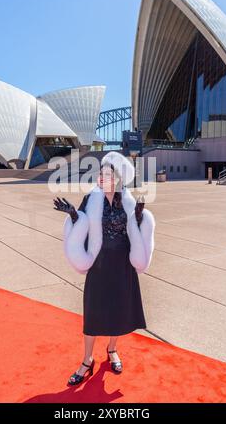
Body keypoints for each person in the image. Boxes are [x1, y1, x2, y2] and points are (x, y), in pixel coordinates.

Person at [53, 151, 155, 386]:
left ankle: (111, 350)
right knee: (94, 311)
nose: (101, 178)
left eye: (106, 174)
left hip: (122, 265)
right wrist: (72, 214)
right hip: (99, 264)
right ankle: (87, 360)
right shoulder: (92, 199)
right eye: (100, 174)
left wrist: (139, 218)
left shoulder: (128, 201)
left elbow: (136, 233)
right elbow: (83, 225)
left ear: (117, 179)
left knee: (118, 311)